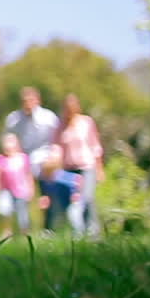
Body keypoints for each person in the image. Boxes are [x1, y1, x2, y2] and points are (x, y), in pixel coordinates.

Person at [4, 87, 59, 228]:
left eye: (31, 100)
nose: (28, 103)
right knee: (21, 199)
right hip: (22, 163)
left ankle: (49, 228)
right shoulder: (14, 119)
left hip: (44, 161)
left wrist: (54, 158)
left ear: (37, 100)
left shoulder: (48, 118)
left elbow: (57, 140)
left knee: (46, 197)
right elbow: (9, 139)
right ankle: (23, 228)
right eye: (25, 101)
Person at [57, 93, 104, 239]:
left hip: (87, 167)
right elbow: (57, 148)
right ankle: (79, 232)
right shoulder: (61, 126)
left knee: (87, 198)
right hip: (69, 169)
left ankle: (94, 233)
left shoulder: (86, 122)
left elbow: (95, 146)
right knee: (74, 203)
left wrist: (99, 168)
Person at [0, 132, 35, 235]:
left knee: (22, 213)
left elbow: (28, 175)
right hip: (5, 190)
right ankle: (7, 232)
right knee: (4, 210)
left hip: (21, 190)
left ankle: (25, 233)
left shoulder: (23, 158)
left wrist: (31, 188)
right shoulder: (0, 159)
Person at [37, 145, 77, 233]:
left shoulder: (62, 176)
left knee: (72, 216)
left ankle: (76, 233)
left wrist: (75, 193)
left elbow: (76, 181)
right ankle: (49, 232)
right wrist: (44, 197)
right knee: (52, 216)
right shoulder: (44, 178)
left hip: (68, 202)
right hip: (54, 202)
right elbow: (44, 190)